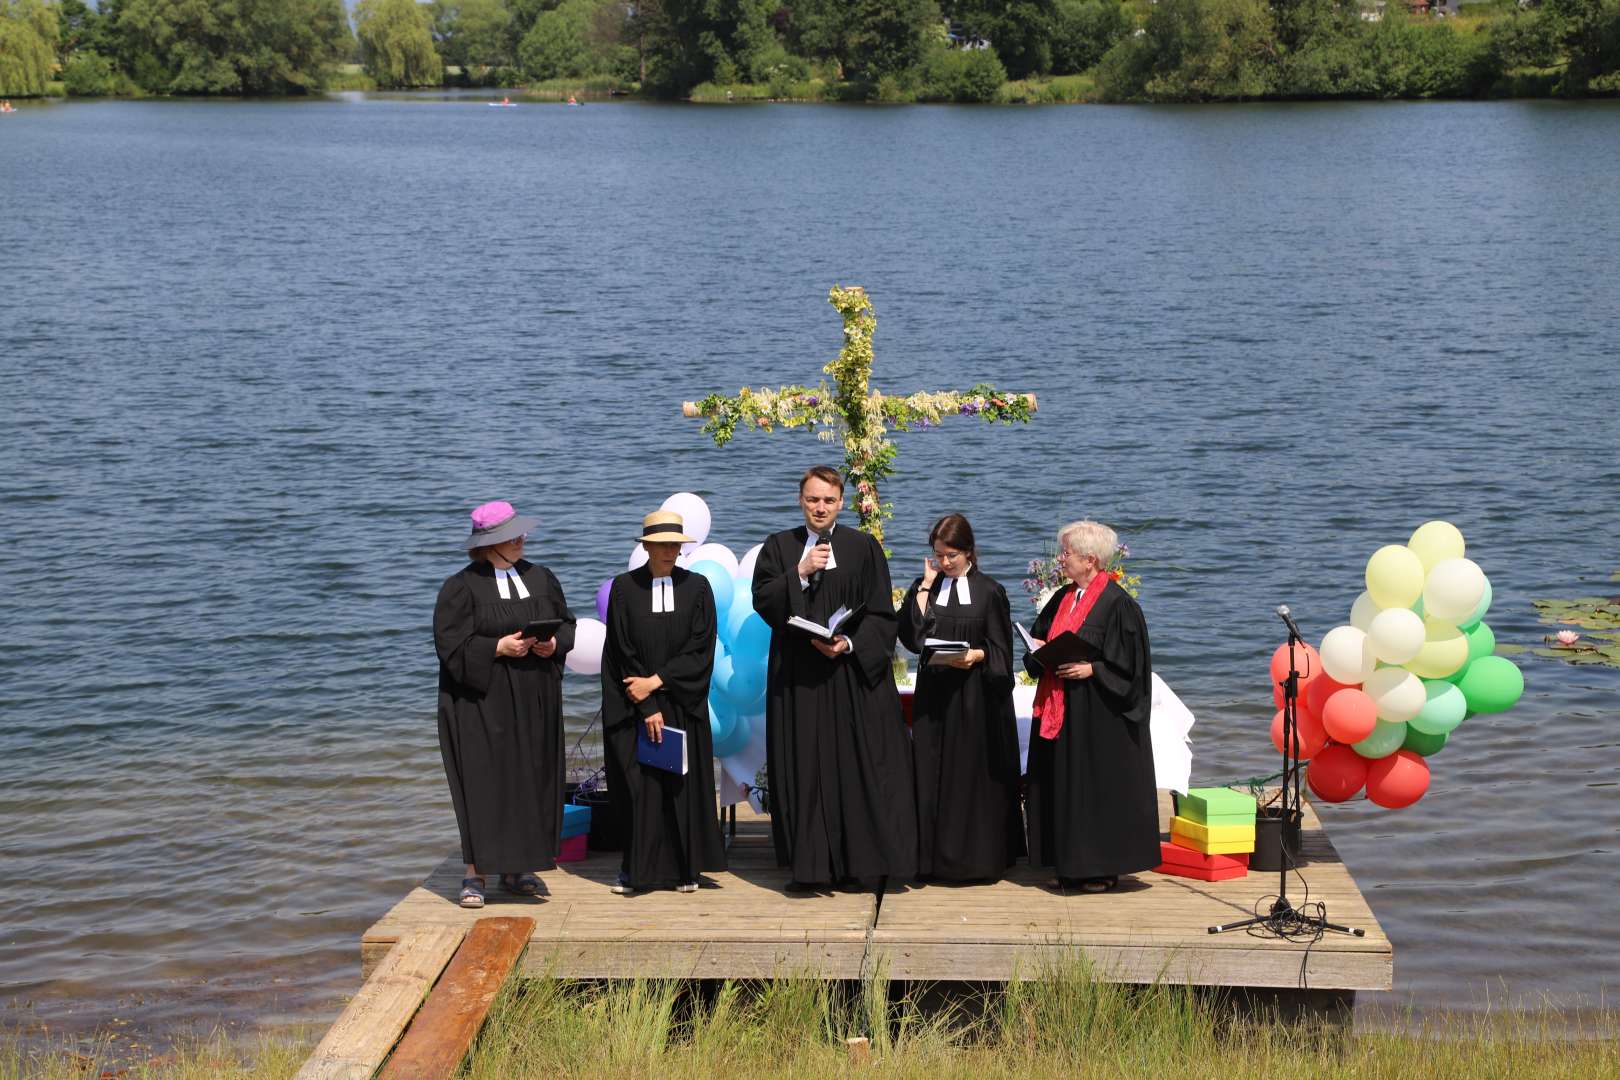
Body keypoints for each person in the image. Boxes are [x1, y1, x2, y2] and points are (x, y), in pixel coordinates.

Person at [752, 466, 918, 888]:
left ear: (841, 502)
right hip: (799, 676)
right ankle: (811, 868)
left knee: (856, 765)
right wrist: (800, 572)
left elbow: (882, 613)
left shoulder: (863, 548)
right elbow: (763, 601)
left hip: (849, 675)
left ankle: (859, 864)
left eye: (828, 500)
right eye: (812, 499)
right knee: (805, 767)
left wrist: (848, 645)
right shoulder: (779, 546)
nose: (820, 508)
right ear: (800, 500)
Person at [434, 500, 577, 908]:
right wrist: (497, 646)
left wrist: (553, 644)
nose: (520, 540)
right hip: (482, 702)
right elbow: (449, 646)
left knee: (531, 778)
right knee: (485, 782)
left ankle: (518, 867)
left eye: (520, 533)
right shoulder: (460, 588)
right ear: (487, 543)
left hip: (535, 696)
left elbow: (568, 624)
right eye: (509, 536)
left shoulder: (542, 577)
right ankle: (474, 873)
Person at [1022, 520, 1158, 893]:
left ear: (1091, 560)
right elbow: (1040, 635)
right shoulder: (1063, 597)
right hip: (1061, 707)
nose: (1061, 559)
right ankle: (1066, 862)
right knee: (1062, 785)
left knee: (1091, 789)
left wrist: (1092, 668)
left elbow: (1132, 669)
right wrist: (1036, 650)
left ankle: (1099, 867)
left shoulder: (1119, 605)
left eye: (1067, 553)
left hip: (1098, 715)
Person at [600, 510, 727, 895]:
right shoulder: (624, 589)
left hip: (682, 703)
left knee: (681, 787)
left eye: (675, 544)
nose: (669, 550)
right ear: (647, 547)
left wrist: (659, 681)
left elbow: (701, 648)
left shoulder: (698, 588)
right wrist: (646, 703)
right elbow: (622, 651)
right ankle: (638, 870)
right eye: (661, 544)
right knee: (640, 789)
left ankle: (685, 869)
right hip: (636, 703)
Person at [897, 513, 1024, 881]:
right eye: (938, 555)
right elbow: (912, 638)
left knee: (971, 775)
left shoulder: (989, 591)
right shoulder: (928, 587)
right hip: (935, 697)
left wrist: (975, 655)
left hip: (975, 698)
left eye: (951, 555)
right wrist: (923, 587)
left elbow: (1001, 651)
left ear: (969, 551)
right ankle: (931, 860)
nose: (945, 562)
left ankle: (977, 861)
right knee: (931, 772)